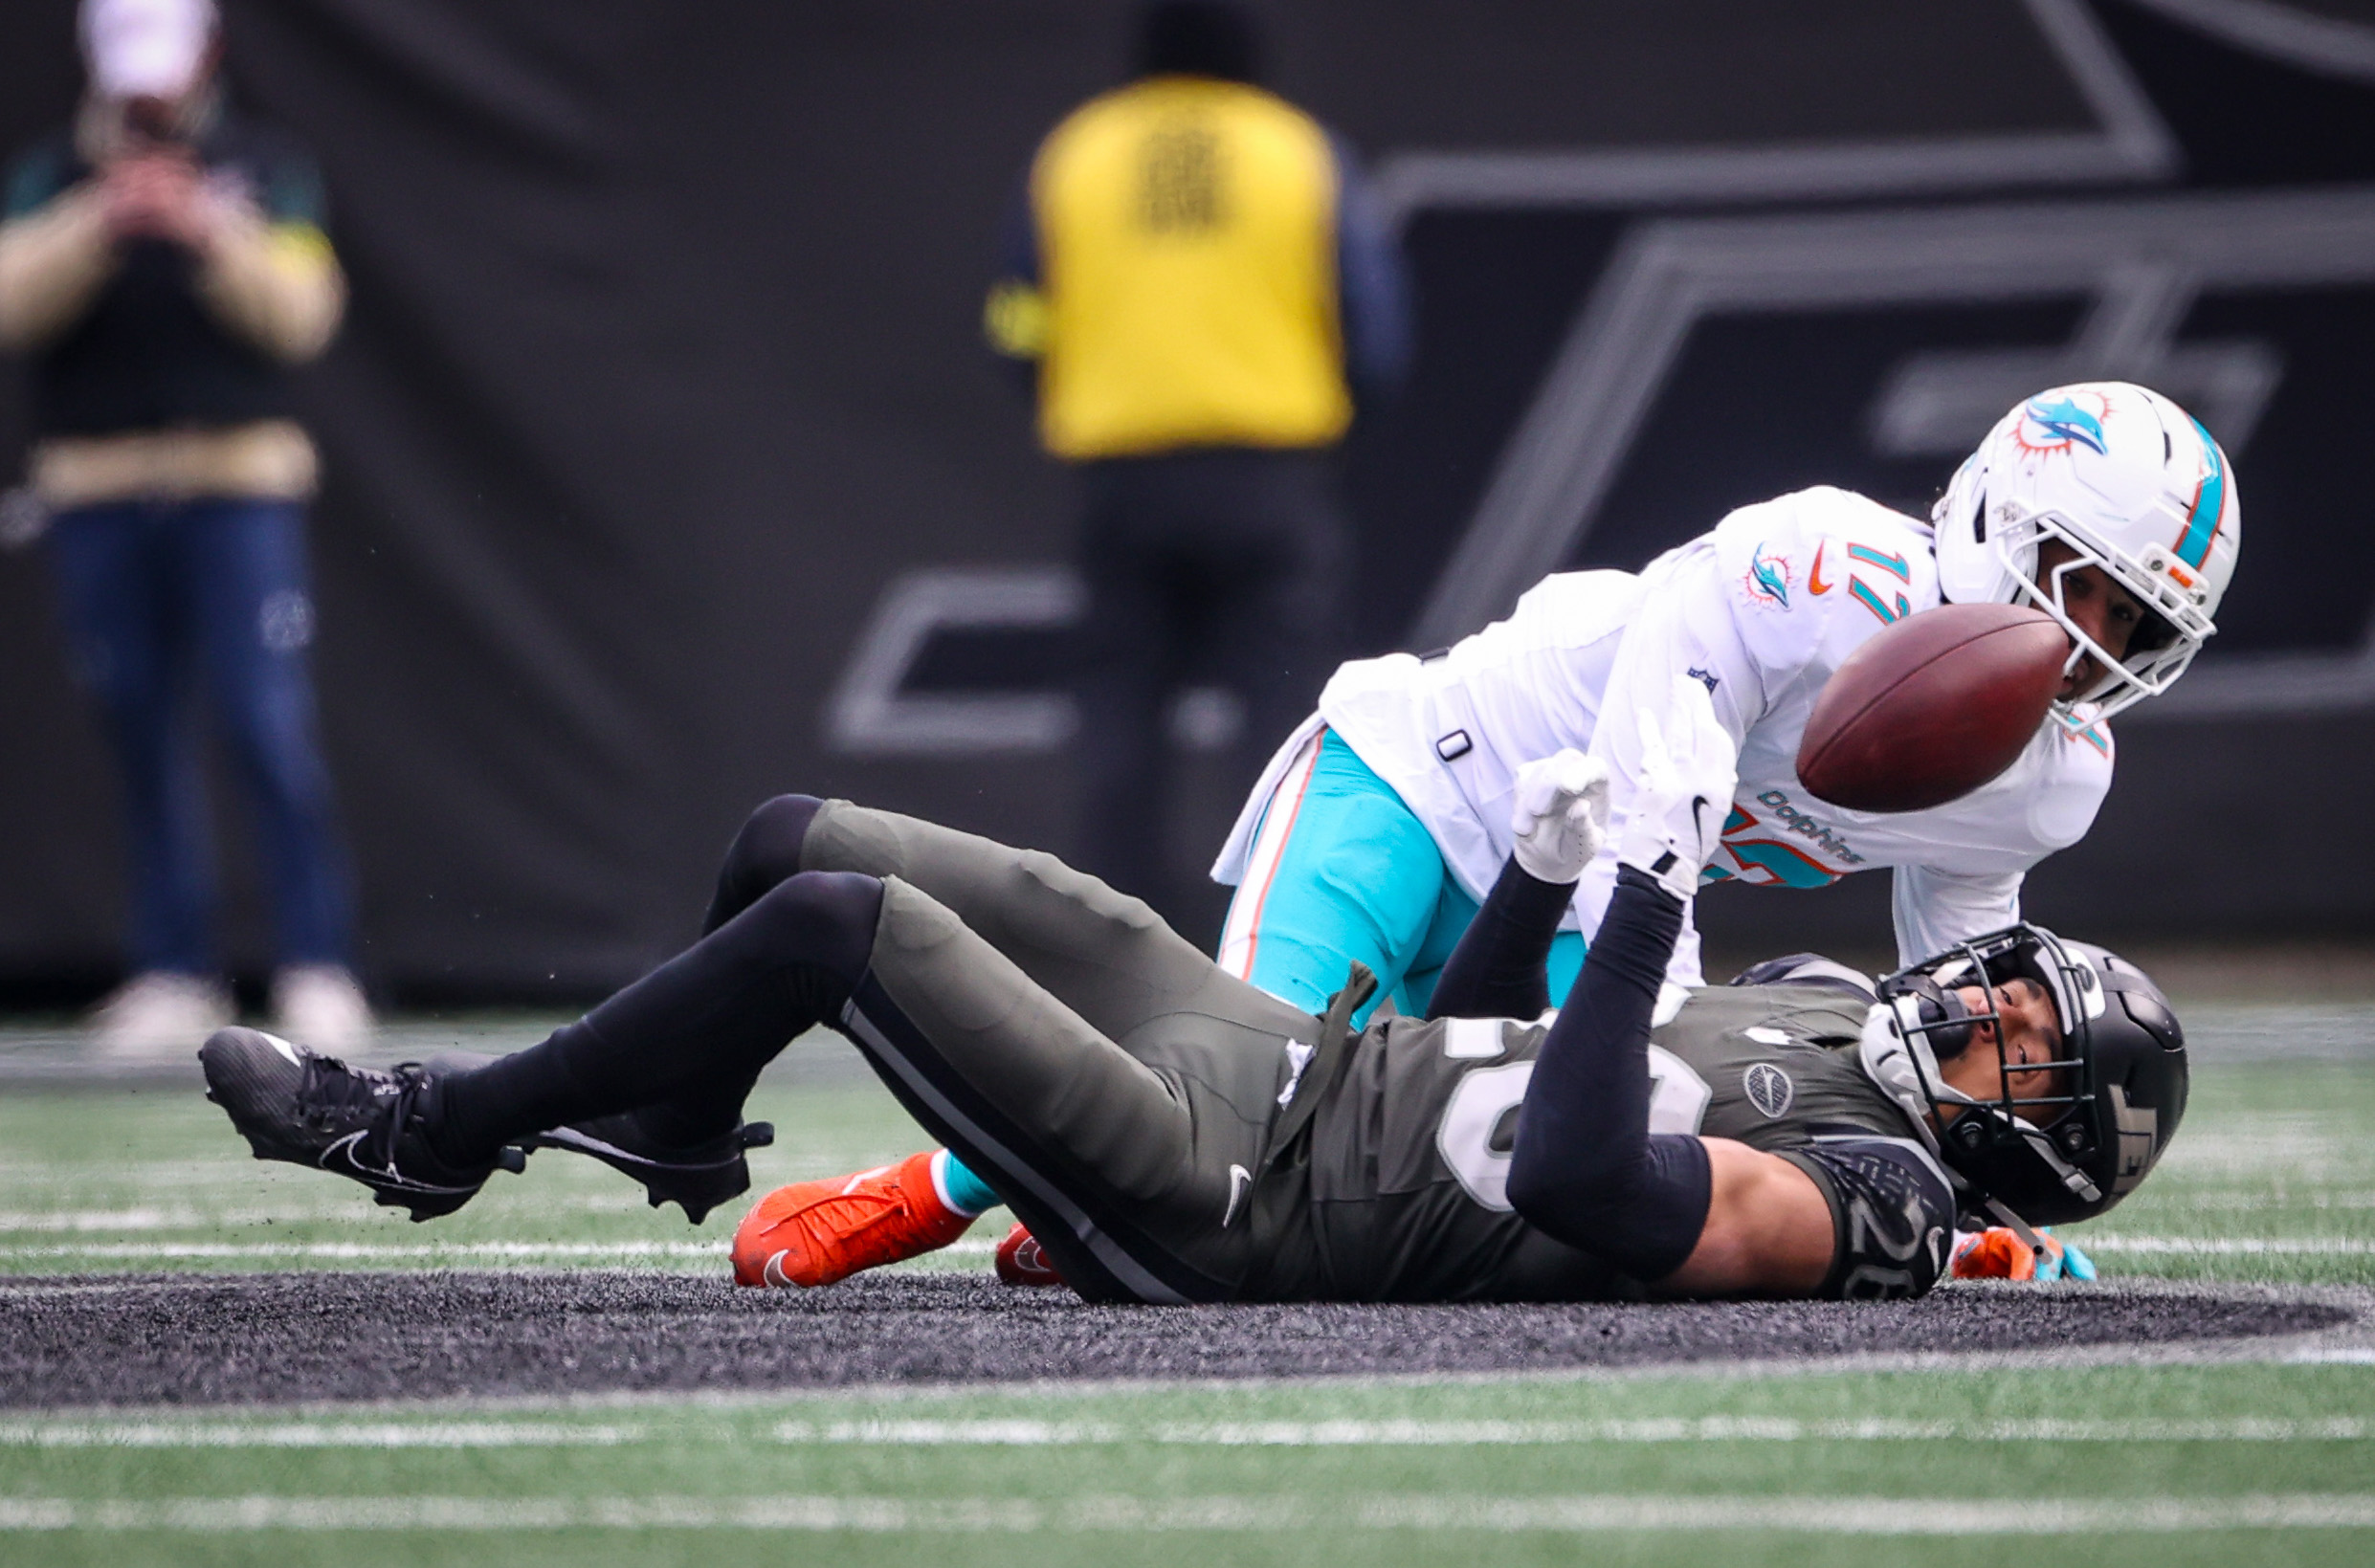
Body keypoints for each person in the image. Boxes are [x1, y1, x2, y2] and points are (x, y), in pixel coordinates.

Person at [196, 682, 2188, 1305]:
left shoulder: (1884, 1196)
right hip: (1302, 1062)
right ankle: (658, 1114)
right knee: (799, 839)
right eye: (2016, 983)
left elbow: (1585, 1176)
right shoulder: (1839, 1006)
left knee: (831, 944)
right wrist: (1554, 877)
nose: (1989, 1003)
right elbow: (1483, 1045)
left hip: (1246, 1200)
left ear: (2031, 1141)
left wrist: (1654, 889)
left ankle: (427, 1137)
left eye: (2026, 1048)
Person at [1208, 380, 2239, 1027]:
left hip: (1559, 919)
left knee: (1538, 1194)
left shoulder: (2054, 779)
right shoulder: (1815, 571)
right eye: (2076, 579)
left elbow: (1953, 972)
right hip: (1411, 789)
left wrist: (1966, 1173)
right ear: (1993, 513)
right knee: (1252, 1104)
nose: (2090, 642)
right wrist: (1662, 1031)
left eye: (2132, 624)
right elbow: (1637, 823)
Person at [984, 0, 1411, 918]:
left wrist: (1065, 399)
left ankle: (1106, 936)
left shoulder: (1077, 153)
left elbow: (1016, 319)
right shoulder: (1295, 148)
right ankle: (1286, 931)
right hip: (1271, 474)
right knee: (1286, 713)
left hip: (1124, 477)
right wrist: (1336, 432)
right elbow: (1372, 326)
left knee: (1120, 720)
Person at [0, 0, 368, 1053]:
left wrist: (208, 226)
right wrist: (100, 224)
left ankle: (314, 959)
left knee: (264, 722)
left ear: (205, 52)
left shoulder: (264, 164)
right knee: (136, 724)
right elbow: (12, 305)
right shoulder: (51, 175)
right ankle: (173, 966)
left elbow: (303, 312)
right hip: (97, 493)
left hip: (238, 486)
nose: (146, 91)